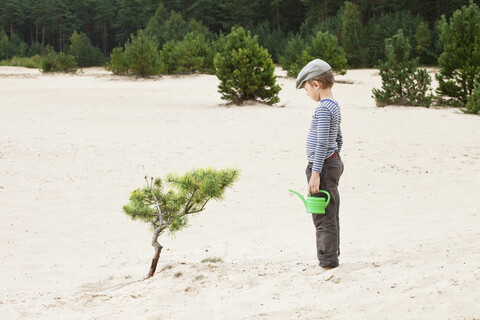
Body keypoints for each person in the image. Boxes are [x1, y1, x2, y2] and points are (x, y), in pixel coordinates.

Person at [296, 59, 344, 269]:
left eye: (306, 88)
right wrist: (335, 158)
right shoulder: (334, 106)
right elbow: (339, 138)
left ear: (316, 84)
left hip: (322, 166)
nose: (307, 93)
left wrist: (316, 172)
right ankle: (331, 257)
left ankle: (327, 262)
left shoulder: (323, 109)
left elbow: (323, 140)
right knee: (331, 213)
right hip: (331, 162)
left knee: (322, 216)